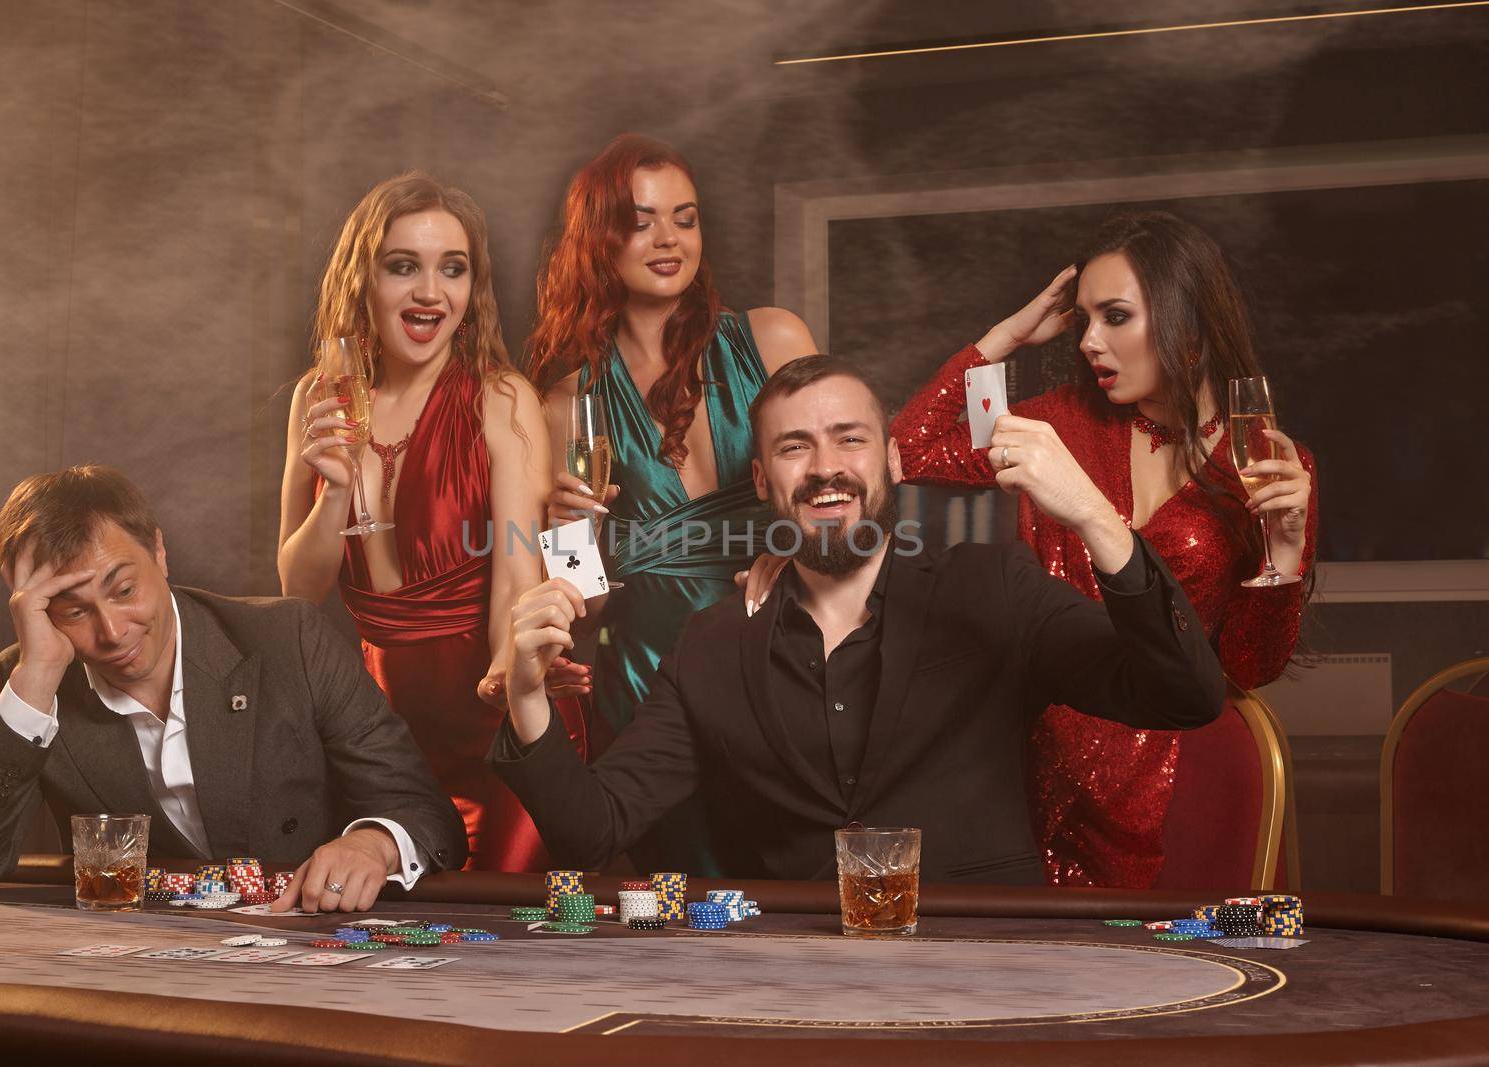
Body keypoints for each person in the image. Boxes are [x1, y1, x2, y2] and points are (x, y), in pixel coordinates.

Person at [487, 357, 1225, 882]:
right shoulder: (711, 645)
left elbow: (1184, 694)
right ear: (762, 480)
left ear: (895, 459)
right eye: (794, 445)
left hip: (990, 986)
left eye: (849, 437)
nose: (825, 466)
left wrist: (1097, 517)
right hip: (800, 1008)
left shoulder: (991, 587)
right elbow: (591, 832)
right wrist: (526, 694)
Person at [883, 211, 1317, 887]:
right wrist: (1006, 337)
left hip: (1169, 770)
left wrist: (1284, 554)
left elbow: (1247, 666)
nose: (1088, 341)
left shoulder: (1266, 463)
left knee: (1159, 973)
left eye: (1114, 316)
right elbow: (906, 452)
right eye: (1083, 319)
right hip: (1028, 759)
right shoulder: (1060, 423)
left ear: (1191, 325)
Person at [0, 466, 466, 909]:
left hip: (315, 946)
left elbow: (428, 814)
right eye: (73, 610)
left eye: (124, 589)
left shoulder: (289, 638)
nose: (112, 631)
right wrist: (37, 679)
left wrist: (373, 844)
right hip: (140, 971)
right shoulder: (26, 683)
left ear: (159, 553)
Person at [521, 134, 817, 874]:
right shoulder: (566, 405)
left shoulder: (773, 340)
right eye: (642, 220)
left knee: (797, 886)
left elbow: (838, 494)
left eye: (684, 219)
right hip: (650, 689)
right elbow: (582, 609)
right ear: (599, 239)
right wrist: (571, 540)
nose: (668, 239)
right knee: (685, 909)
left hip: (783, 664)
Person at [279, 172, 566, 873]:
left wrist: (508, 674)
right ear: (362, 278)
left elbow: (517, 571)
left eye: (454, 269)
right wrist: (333, 493)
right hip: (377, 734)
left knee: (504, 935)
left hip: (491, 725)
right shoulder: (317, 395)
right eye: (404, 266)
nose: (431, 293)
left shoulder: (501, 397)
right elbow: (296, 590)